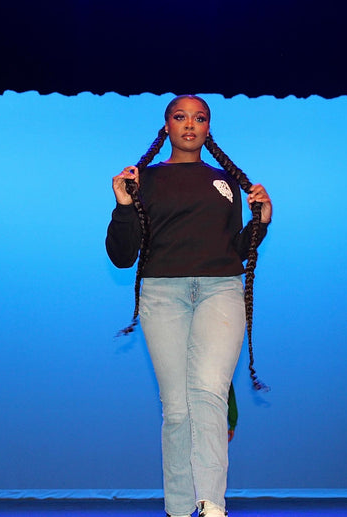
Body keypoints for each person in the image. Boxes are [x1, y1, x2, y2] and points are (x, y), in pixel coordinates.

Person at [106, 95, 272, 517]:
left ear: (208, 129)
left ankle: (212, 505)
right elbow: (123, 256)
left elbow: (236, 251)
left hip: (221, 290)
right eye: (180, 117)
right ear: (167, 128)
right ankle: (180, 510)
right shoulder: (144, 179)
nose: (190, 124)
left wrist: (260, 223)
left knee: (209, 393)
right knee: (177, 407)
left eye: (199, 118)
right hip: (162, 294)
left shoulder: (225, 182)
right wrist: (124, 207)